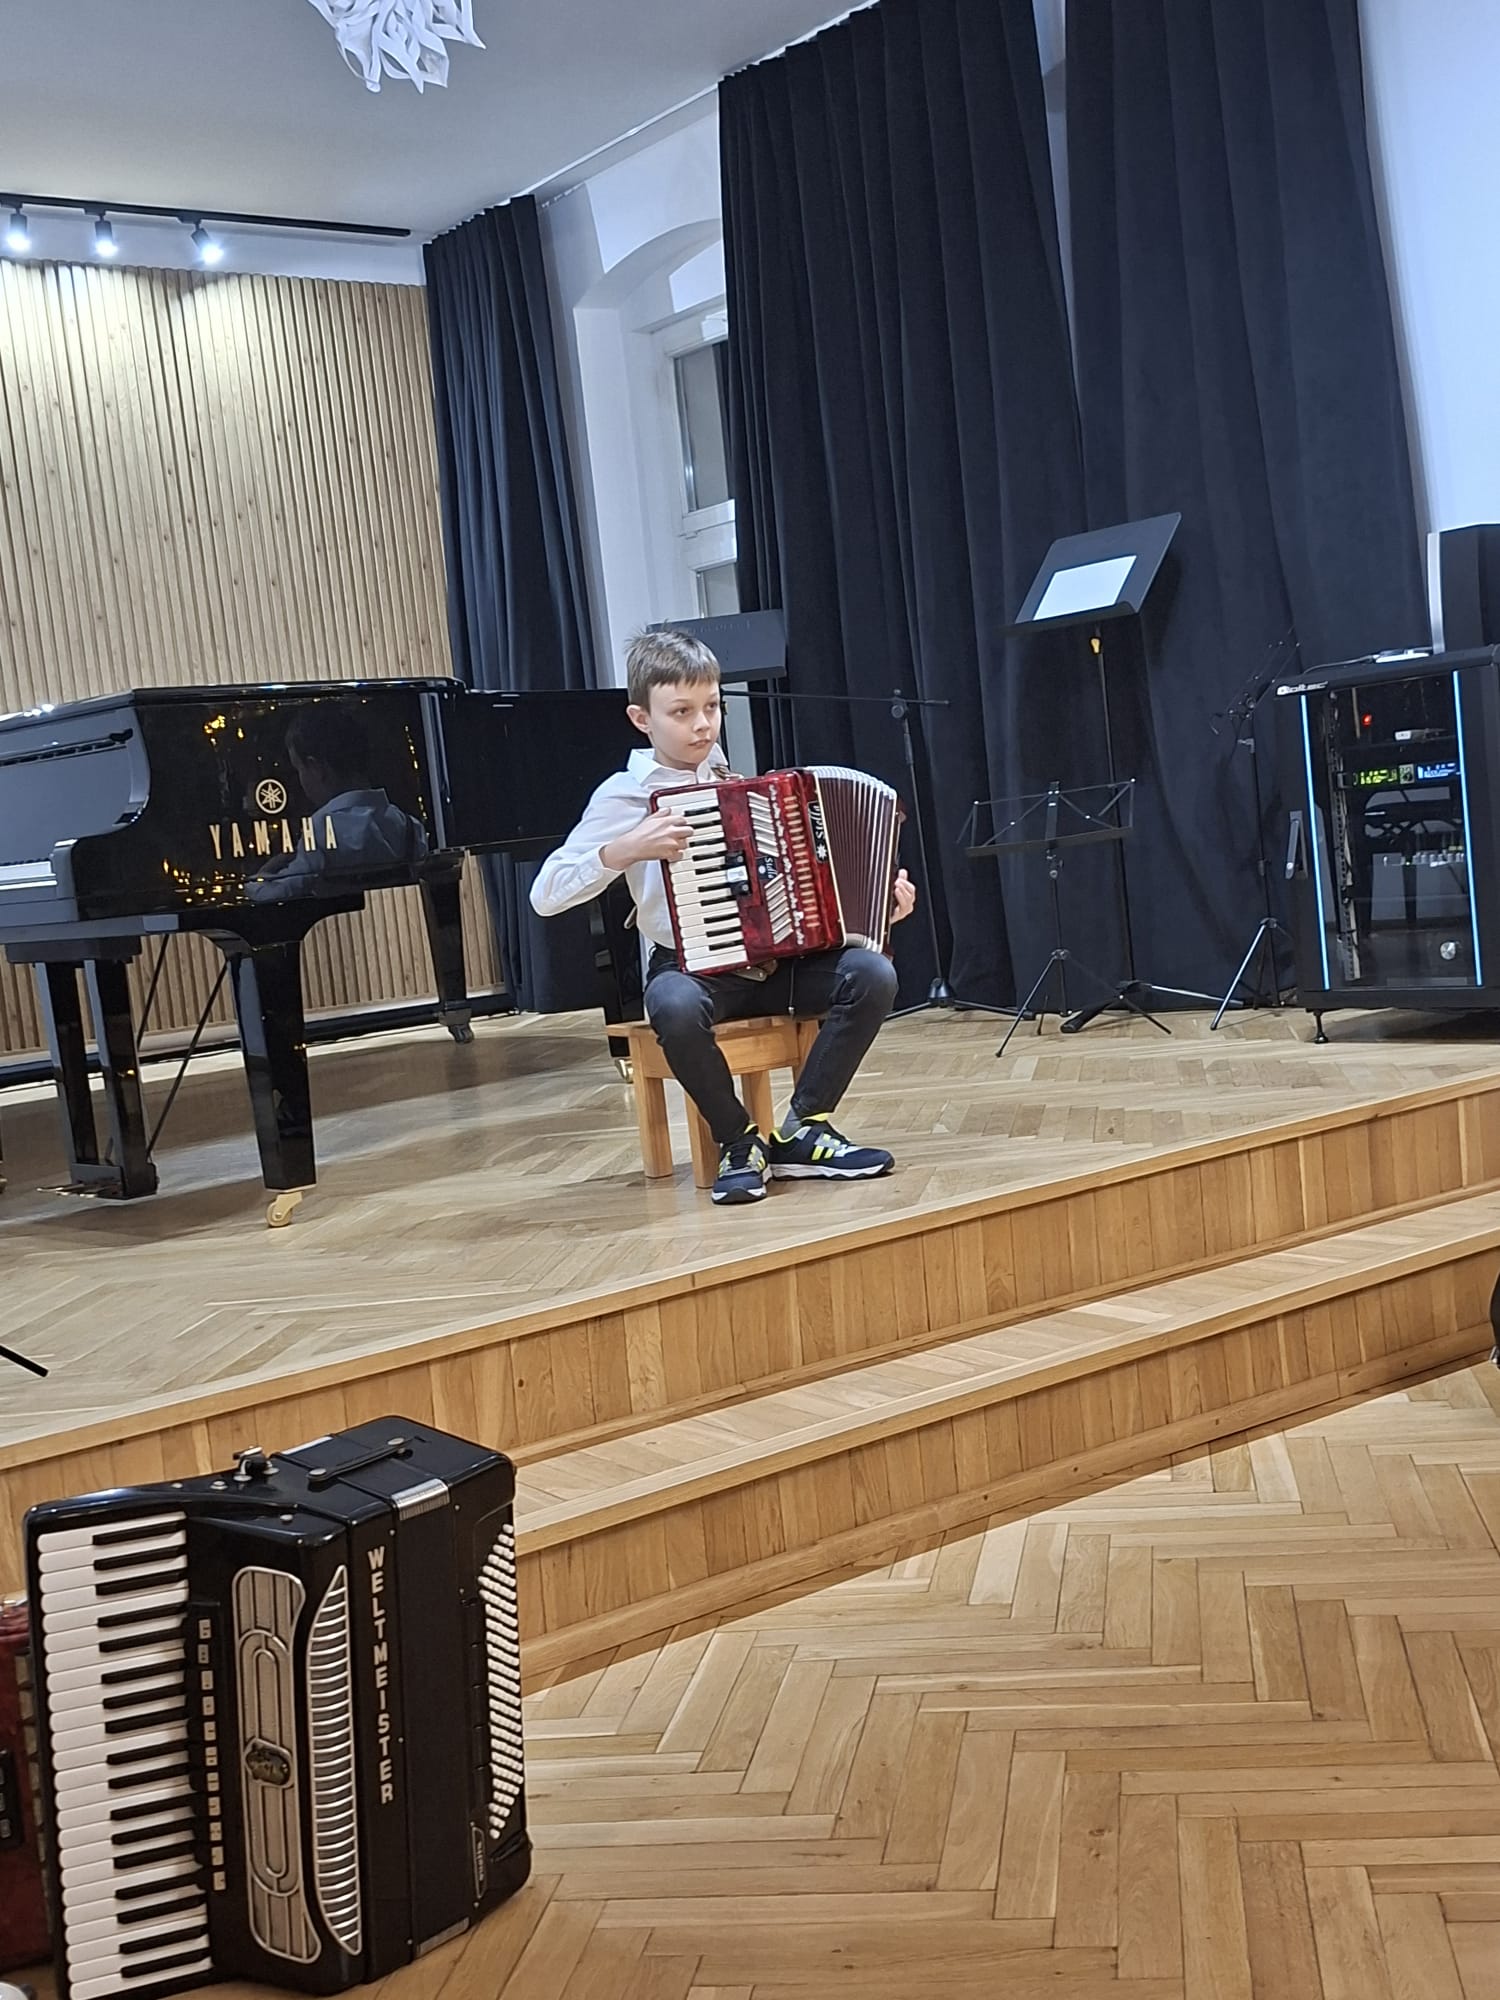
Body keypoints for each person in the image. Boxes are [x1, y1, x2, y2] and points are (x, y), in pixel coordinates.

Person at [530, 628, 915, 1205]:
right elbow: (546, 894)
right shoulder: (623, 796)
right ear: (641, 718)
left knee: (872, 973)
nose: (702, 725)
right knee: (673, 1005)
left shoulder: (737, 783)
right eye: (681, 712)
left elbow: (800, 893)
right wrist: (627, 848)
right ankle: (738, 1141)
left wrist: (877, 906)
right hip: (692, 969)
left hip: (773, 965)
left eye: (711, 707)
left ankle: (803, 1129)